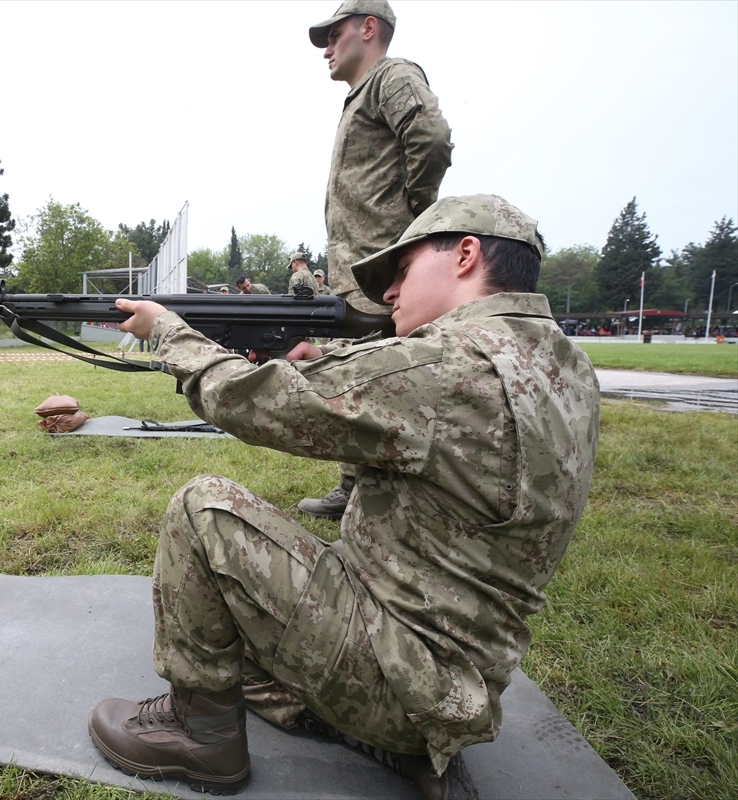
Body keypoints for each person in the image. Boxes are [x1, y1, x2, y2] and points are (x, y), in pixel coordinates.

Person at [89, 195, 601, 799]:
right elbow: (425, 416)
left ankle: (201, 737)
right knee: (239, 628)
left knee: (206, 511)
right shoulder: (563, 364)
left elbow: (258, 402)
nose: (389, 294)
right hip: (460, 680)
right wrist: (330, 358)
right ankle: (392, 736)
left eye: (403, 270)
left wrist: (171, 335)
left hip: (395, 670)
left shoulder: (451, 364)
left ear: (465, 255)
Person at [300, 0, 455, 521]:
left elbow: (430, 136)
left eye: (333, 33)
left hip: (380, 267)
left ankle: (379, 491)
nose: (326, 47)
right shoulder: (360, 95)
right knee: (362, 372)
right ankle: (358, 485)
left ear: (368, 28)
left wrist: (415, 213)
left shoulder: (393, 75)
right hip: (358, 268)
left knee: (380, 376)